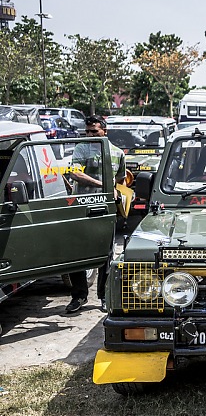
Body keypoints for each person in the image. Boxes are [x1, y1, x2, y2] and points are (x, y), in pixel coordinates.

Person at [65, 115, 126, 313]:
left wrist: (121, 200)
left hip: (106, 209)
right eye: (88, 131)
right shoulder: (82, 148)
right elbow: (74, 173)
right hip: (82, 206)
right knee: (76, 254)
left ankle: (104, 297)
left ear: (105, 131)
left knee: (106, 255)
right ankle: (79, 296)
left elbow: (121, 180)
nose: (90, 134)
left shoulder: (117, 153)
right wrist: (104, 185)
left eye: (94, 131)